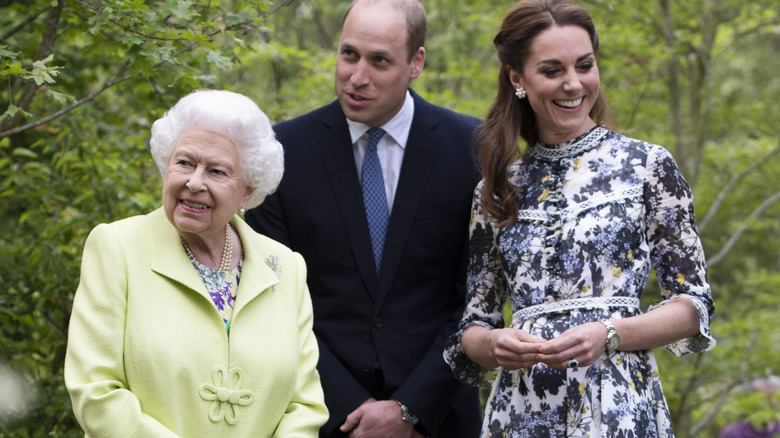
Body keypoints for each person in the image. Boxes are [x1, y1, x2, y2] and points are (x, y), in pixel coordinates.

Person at [442, 0, 717, 436]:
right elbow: (474, 328)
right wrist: (494, 345)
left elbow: (693, 306)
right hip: (523, 412)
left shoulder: (647, 166)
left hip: (619, 408)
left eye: (584, 66)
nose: (573, 84)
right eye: (552, 71)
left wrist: (610, 332)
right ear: (517, 78)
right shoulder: (495, 188)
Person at [244, 0, 482, 436]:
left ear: (416, 62)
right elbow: (271, 299)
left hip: (440, 418)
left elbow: (477, 301)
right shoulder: (281, 152)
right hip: (320, 416)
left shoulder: (472, 149)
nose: (357, 77)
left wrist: (410, 408)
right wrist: (353, 408)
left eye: (380, 61)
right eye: (349, 54)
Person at [64, 89, 328, 437]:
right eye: (185, 162)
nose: (194, 182)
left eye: (217, 171)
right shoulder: (117, 247)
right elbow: (96, 392)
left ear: (248, 191)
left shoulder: (286, 267)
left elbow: (305, 406)